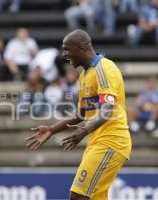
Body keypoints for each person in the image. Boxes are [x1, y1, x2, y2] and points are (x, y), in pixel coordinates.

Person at [26, 29, 132, 200]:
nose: (64, 54)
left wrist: (84, 130)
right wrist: (52, 130)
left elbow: (107, 109)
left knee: (78, 196)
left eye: (67, 49)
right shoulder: (84, 75)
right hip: (97, 141)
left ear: (82, 47)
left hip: (112, 141)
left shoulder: (104, 69)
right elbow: (82, 112)